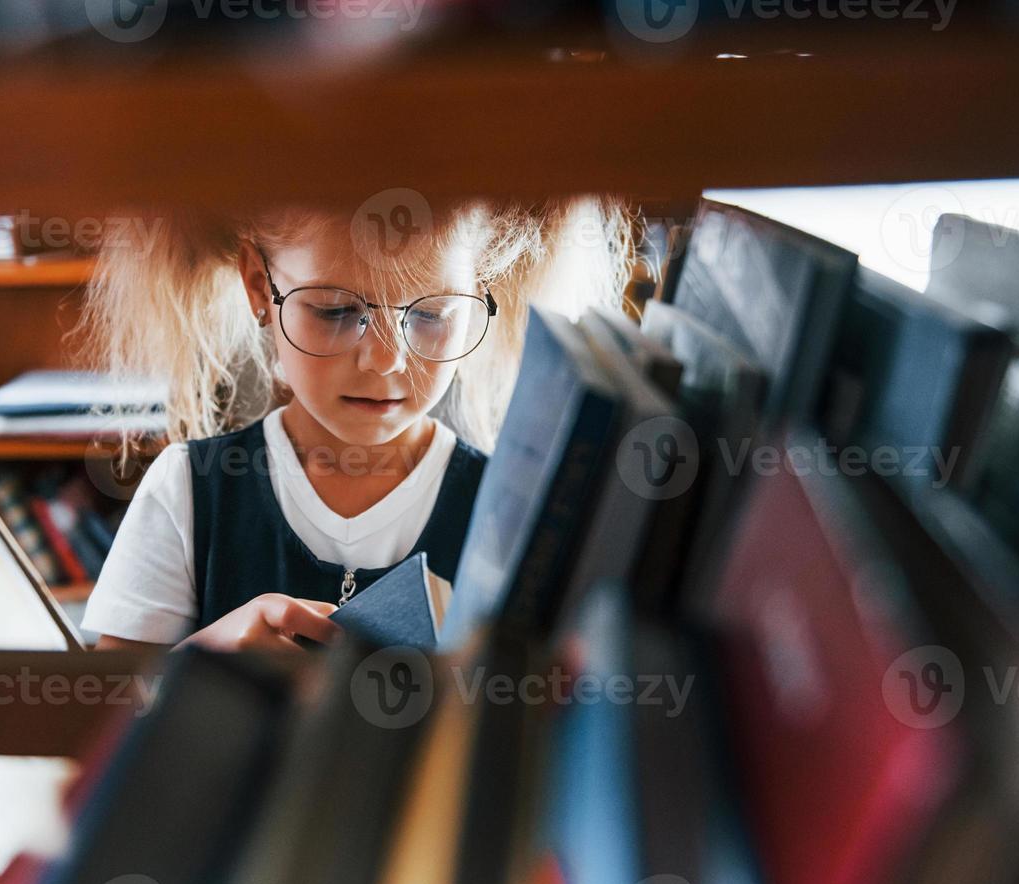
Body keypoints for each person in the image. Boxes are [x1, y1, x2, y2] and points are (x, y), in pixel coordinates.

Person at [80, 198, 632, 654]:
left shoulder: (511, 508)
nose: (386, 360)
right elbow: (103, 723)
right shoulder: (188, 490)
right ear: (257, 286)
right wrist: (206, 656)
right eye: (336, 311)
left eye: (431, 314)